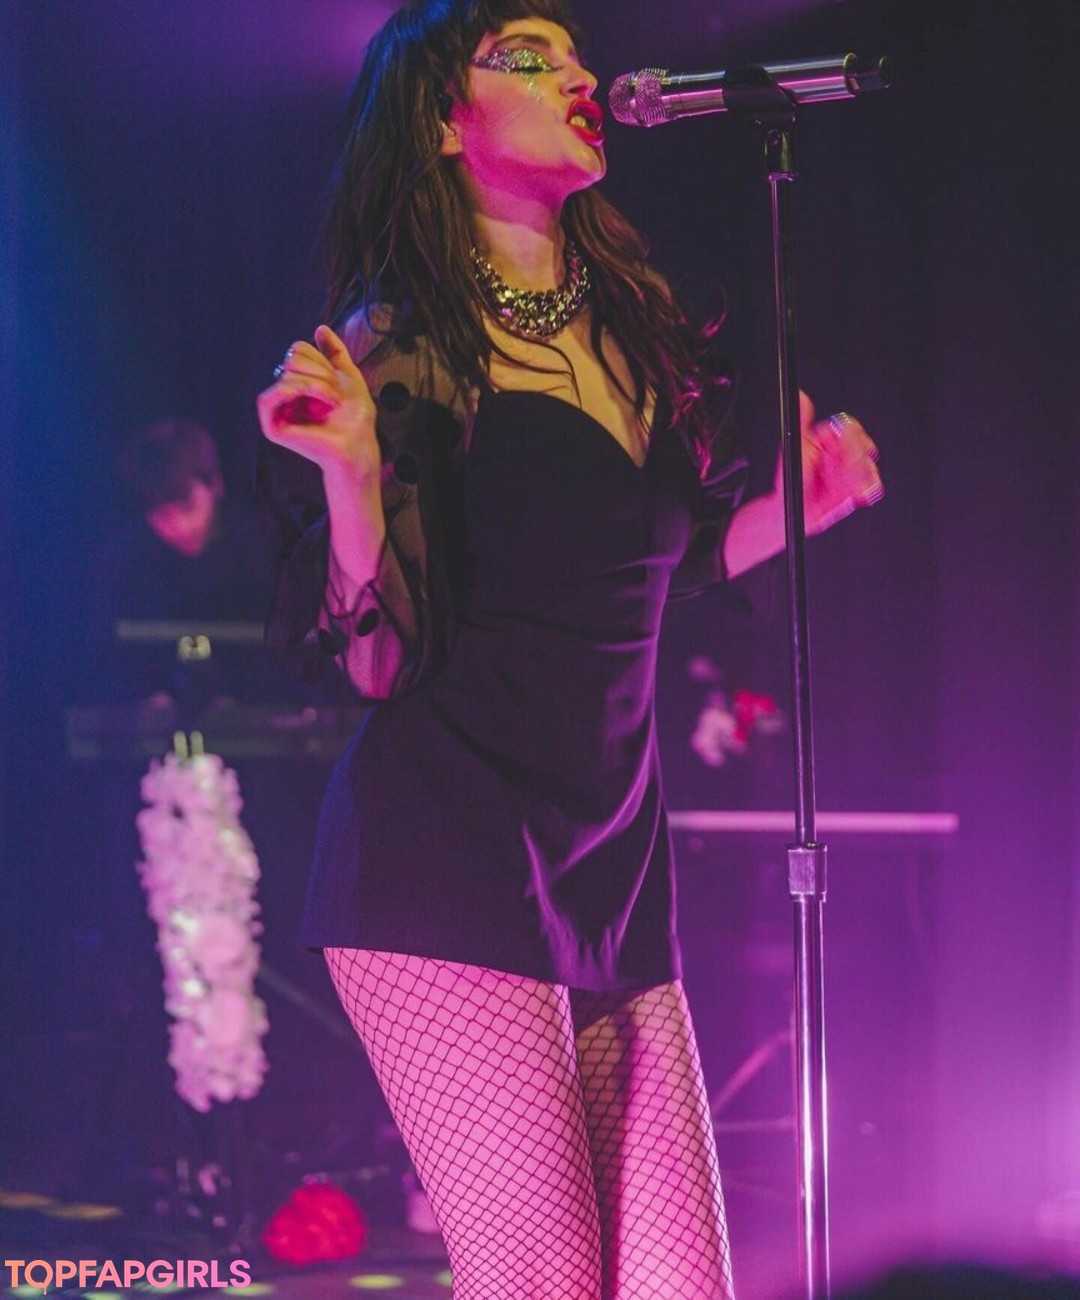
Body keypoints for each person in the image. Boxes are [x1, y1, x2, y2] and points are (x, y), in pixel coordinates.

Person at [256, 2, 883, 1296]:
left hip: (608, 864)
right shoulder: (402, 344)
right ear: (446, 120)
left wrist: (796, 514)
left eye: (577, 53)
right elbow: (373, 662)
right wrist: (354, 479)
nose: (580, 75)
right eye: (528, 59)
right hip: (441, 854)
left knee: (680, 1283)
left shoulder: (633, 332)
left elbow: (653, 570)